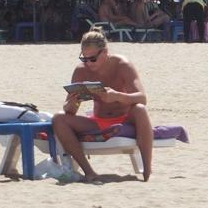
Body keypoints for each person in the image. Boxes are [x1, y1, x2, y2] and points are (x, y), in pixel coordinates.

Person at [52, 29, 153, 182]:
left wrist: (117, 96)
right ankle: (89, 172)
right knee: (59, 118)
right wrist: (70, 105)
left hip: (125, 118)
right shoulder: (81, 71)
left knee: (140, 109)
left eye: (92, 59)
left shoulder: (122, 65)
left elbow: (142, 98)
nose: (88, 63)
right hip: (98, 120)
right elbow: (71, 111)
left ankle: (147, 170)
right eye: (84, 58)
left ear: (104, 52)